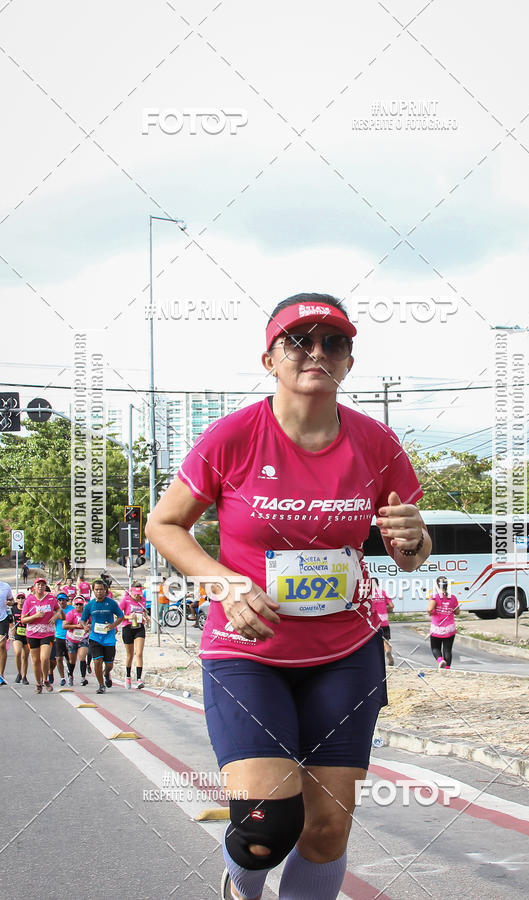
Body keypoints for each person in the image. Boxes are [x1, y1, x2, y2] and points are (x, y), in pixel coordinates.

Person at [146, 292, 431, 900]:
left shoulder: (377, 445)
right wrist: (220, 581)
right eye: (298, 342)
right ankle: (241, 884)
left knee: (327, 827)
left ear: (349, 362)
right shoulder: (232, 437)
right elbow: (165, 524)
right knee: (268, 827)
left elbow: (407, 549)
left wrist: (414, 541)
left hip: (345, 651)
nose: (316, 354)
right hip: (248, 653)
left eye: (334, 343)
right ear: (270, 359)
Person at [80, 579, 124, 694]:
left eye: (101, 590)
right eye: (96, 590)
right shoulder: (89, 605)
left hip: (109, 638)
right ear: (93, 591)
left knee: (109, 664)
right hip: (95, 637)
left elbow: (121, 616)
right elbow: (83, 620)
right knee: (97, 661)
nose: (99, 592)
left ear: (105, 590)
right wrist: (85, 626)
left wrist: (113, 625)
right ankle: (101, 685)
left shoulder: (111, 603)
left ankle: (106, 673)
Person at [21, 577, 60, 693]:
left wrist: (55, 616)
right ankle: (38, 683)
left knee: (44, 658)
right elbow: (23, 619)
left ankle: (46, 679)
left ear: (45, 587)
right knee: (36, 660)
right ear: (34, 587)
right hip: (32, 633)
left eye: (43, 585)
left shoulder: (51, 598)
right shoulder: (29, 600)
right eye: (38, 584)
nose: (40, 587)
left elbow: (58, 610)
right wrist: (35, 616)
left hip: (47, 632)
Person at [120, 582, 149, 689]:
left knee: (139, 653)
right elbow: (118, 615)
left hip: (139, 627)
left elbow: (144, 611)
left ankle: (139, 679)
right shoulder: (125, 600)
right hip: (128, 627)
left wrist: (146, 616)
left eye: (139, 593)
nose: (137, 595)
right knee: (130, 654)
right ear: (131, 591)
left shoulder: (143, 600)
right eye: (135, 593)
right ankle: (128, 676)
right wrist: (128, 617)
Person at [427, 576, 460, 669]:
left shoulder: (435, 597)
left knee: (435, 648)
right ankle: (447, 668)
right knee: (448, 650)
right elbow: (457, 612)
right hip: (450, 628)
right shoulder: (453, 598)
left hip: (437, 628)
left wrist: (433, 613)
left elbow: (429, 609)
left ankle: (440, 660)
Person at [64, 596, 90, 686]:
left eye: (80, 604)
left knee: (82, 657)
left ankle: (83, 678)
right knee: (72, 660)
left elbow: (92, 622)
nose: (79, 606)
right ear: (74, 605)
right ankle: (70, 675)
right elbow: (65, 626)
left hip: (83, 638)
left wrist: (88, 627)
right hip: (72, 638)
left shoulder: (86, 613)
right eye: (77, 604)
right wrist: (75, 626)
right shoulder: (71, 613)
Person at [370, 578, 395, 666]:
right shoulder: (383, 593)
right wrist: (385, 609)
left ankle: (376, 662)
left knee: (373, 644)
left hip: (373, 623)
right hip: (384, 622)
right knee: (385, 640)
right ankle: (388, 652)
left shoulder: (368, 595)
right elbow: (391, 606)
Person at [52, 593, 74, 686]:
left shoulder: (72, 609)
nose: (61, 602)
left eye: (63, 600)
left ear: (67, 600)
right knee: (58, 658)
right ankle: (62, 677)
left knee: (70, 659)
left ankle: (70, 675)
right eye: (59, 600)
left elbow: (67, 618)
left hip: (69, 636)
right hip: (58, 636)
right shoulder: (54, 611)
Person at [10, 593, 30, 684]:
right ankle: (19, 673)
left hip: (27, 635)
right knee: (18, 652)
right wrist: (12, 630)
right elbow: (11, 621)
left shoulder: (28, 609)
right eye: (19, 598)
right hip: (17, 634)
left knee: (25, 656)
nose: (21, 600)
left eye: (22, 598)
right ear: (16, 600)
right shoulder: (13, 609)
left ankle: (24, 676)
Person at [0, 578, 14, 685]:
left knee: (1, 645)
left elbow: (12, 601)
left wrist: (10, 602)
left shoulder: (5, 586)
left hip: (2, 619)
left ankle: (1, 675)